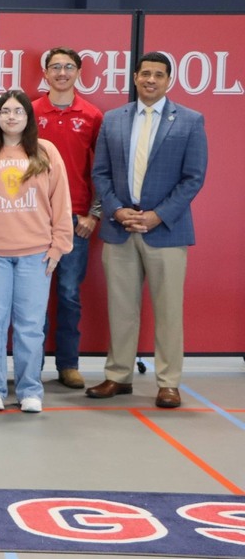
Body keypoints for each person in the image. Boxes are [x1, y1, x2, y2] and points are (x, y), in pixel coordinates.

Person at [87, 52, 208, 409]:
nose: (151, 80)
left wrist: (157, 215)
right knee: (121, 308)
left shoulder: (189, 121)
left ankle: (169, 382)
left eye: (158, 74)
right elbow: (101, 173)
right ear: (136, 77)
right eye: (145, 74)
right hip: (120, 228)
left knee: (169, 310)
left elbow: (193, 178)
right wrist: (116, 209)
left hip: (166, 231)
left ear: (169, 80)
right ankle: (118, 376)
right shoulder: (113, 120)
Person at [0, 91, 72, 413]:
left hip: (35, 253)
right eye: (5, 111)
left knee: (30, 325)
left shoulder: (46, 152)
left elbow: (61, 201)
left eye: (18, 111)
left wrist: (59, 246)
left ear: (28, 117)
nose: (11, 117)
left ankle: (30, 389)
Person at [31, 48, 103, 389]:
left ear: (78, 72)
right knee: (33, 296)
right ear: (45, 73)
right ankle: (32, 366)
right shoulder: (30, 112)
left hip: (76, 219)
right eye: (55, 67)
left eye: (68, 67)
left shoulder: (91, 115)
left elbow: (102, 171)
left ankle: (68, 364)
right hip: (33, 219)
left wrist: (94, 214)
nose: (62, 72)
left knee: (69, 292)